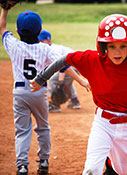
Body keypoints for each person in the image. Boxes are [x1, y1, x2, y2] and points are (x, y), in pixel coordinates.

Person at [30, 14, 127, 175]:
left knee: (122, 170)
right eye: (112, 46)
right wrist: (41, 78)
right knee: (92, 168)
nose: (118, 52)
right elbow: (65, 59)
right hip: (103, 123)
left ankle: (111, 165)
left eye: (123, 46)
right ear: (103, 47)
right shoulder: (92, 60)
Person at [0, 7, 89, 175]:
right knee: (43, 127)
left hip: (19, 93)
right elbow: (63, 65)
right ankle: (44, 161)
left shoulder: (13, 45)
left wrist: (4, 10)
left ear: (18, 30)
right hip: (39, 92)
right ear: (40, 31)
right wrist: (81, 80)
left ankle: (22, 165)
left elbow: (2, 29)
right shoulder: (46, 49)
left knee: (22, 130)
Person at [38, 30, 81, 112]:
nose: (39, 43)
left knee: (55, 80)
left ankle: (55, 105)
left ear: (48, 40)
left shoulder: (53, 50)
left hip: (74, 65)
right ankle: (74, 101)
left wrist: (60, 79)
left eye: (41, 41)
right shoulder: (47, 49)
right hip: (76, 64)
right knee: (66, 82)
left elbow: (62, 65)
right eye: (38, 41)